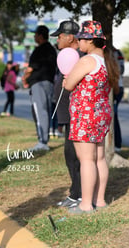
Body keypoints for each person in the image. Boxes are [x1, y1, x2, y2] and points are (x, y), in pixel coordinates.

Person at [63, 20, 119, 214]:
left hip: (85, 115)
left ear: (89, 40)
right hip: (101, 114)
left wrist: (67, 80)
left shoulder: (87, 61)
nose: (79, 41)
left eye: (81, 38)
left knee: (86, 159)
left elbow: (69, 85)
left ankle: (85, 205)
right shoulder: (106, 61)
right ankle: (100, 200)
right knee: (100, 158)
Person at [51, 20, 82, 208]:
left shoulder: (77, 57)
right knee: (70, 155)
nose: (58, 40)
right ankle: (76, 192)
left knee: (74, 156)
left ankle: (78, 194)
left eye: (60, 36)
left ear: (70, 37)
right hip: (67, 113)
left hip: (76, 113)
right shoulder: (66, 55)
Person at [22, 25, 57, 151]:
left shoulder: (40, 49)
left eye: (36, 34)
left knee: (39, 111)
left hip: (39, 83)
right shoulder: (52, 50)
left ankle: (42, 142)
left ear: (41, 36)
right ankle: (44, 140)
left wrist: (24, 77)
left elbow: (31, 68)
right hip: (49, 83)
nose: (35, 37)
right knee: (45, 111)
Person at [113, 48, 125, 151]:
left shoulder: (115, 52)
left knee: (113, 116)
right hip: (114, 87)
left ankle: (117, 143)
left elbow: (120, 70)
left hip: (116, 88)